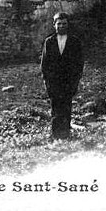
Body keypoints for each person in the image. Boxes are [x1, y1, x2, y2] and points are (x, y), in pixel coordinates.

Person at [40, 12, 84, 140]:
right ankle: (55, 136)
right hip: (54, 82)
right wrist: (47, 83)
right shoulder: (49, 42)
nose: (62, 26)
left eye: (64, 24)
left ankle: (66, 135)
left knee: (66, 107)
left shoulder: (74, 42)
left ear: (68, 25)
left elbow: (79, 64)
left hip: (68, 82)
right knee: (55, 109)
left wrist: (75, 82)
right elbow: (44, 65)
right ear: (54, 25)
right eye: (59, 24)